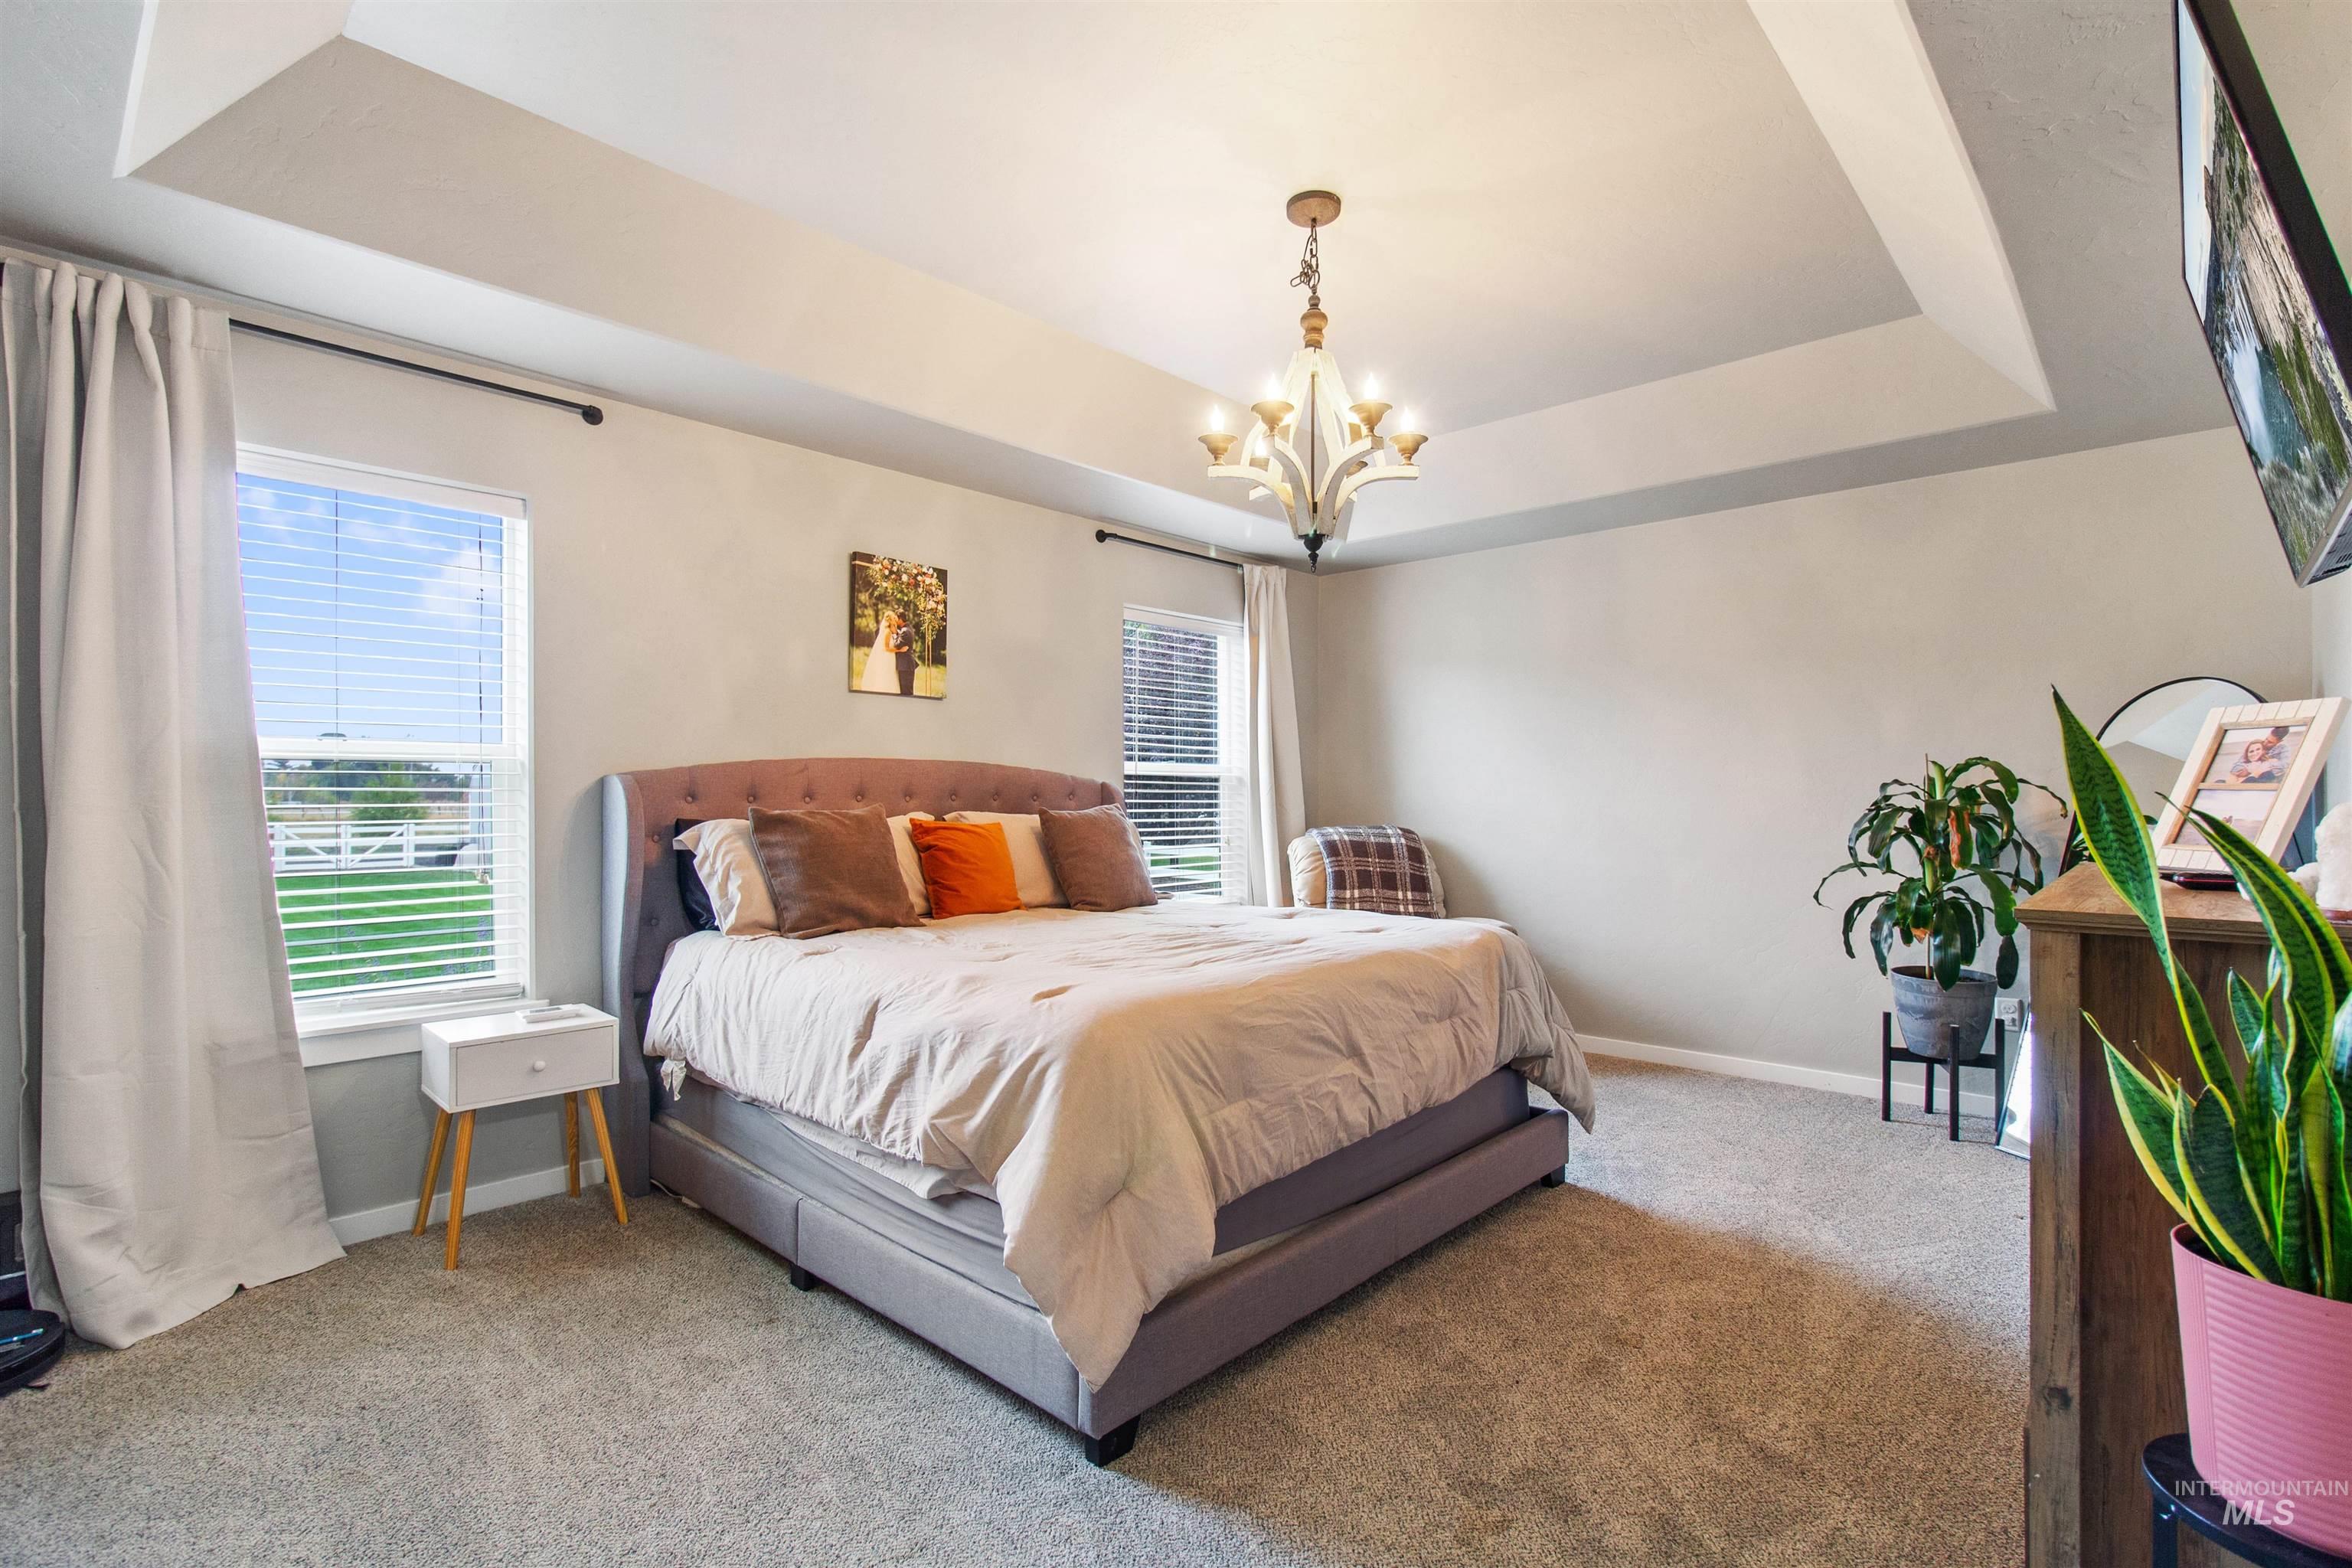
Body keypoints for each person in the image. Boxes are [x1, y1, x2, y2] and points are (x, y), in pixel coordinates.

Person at [858, 612, 902, 694]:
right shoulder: (888, 632)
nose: (895, 619)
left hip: (891, 657)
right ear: (890, 621)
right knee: (888, 674)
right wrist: (899, 650)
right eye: (893, 618)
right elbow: (886, 648)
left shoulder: (891, 631)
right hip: (888, 657)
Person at [892, 616, 918, 697]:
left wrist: (894, 635)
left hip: (905, 666)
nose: (895, 622)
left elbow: (897, 645)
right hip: (907, 665)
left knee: (906, 692)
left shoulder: (905, 631)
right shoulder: (908, 628)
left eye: (896, 619)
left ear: (900, 619)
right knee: (907, 691)